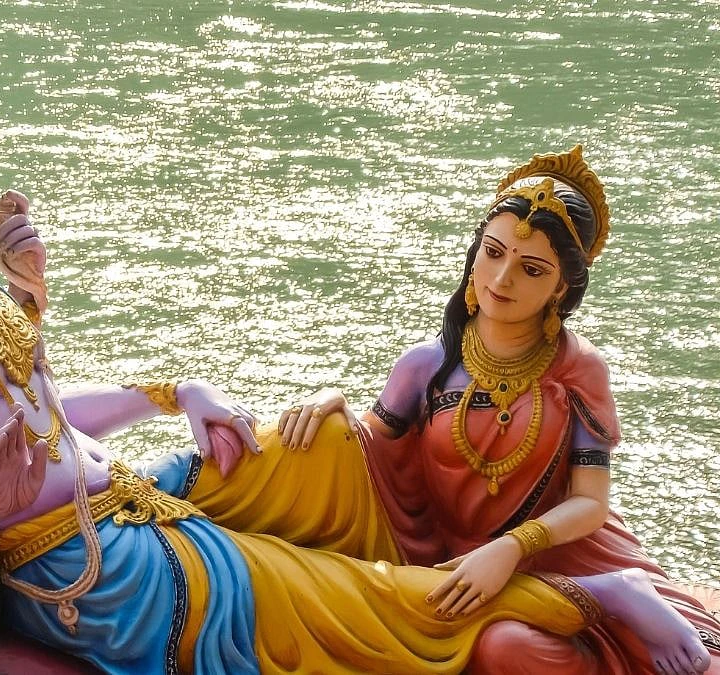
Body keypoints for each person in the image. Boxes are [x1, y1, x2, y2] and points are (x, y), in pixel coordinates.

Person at [0, 19, 708, 675]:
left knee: (313, 448)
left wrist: (177, 391)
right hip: (91, 572)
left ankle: (473, 553)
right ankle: (594, 600)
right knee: (361, 608)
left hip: (135, 496)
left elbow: (43, 412)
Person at [279, 145, 719, 674]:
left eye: (531, 269)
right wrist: (333, 406)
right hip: (449, 561)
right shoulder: (426, 365)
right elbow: (369, 462)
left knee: (506, 647)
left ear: (561, 287)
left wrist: (512, 548)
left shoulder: (578, 369)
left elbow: (590, 501)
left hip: (560, 557)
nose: (502, 277)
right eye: (492, 252)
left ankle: (613, 593)